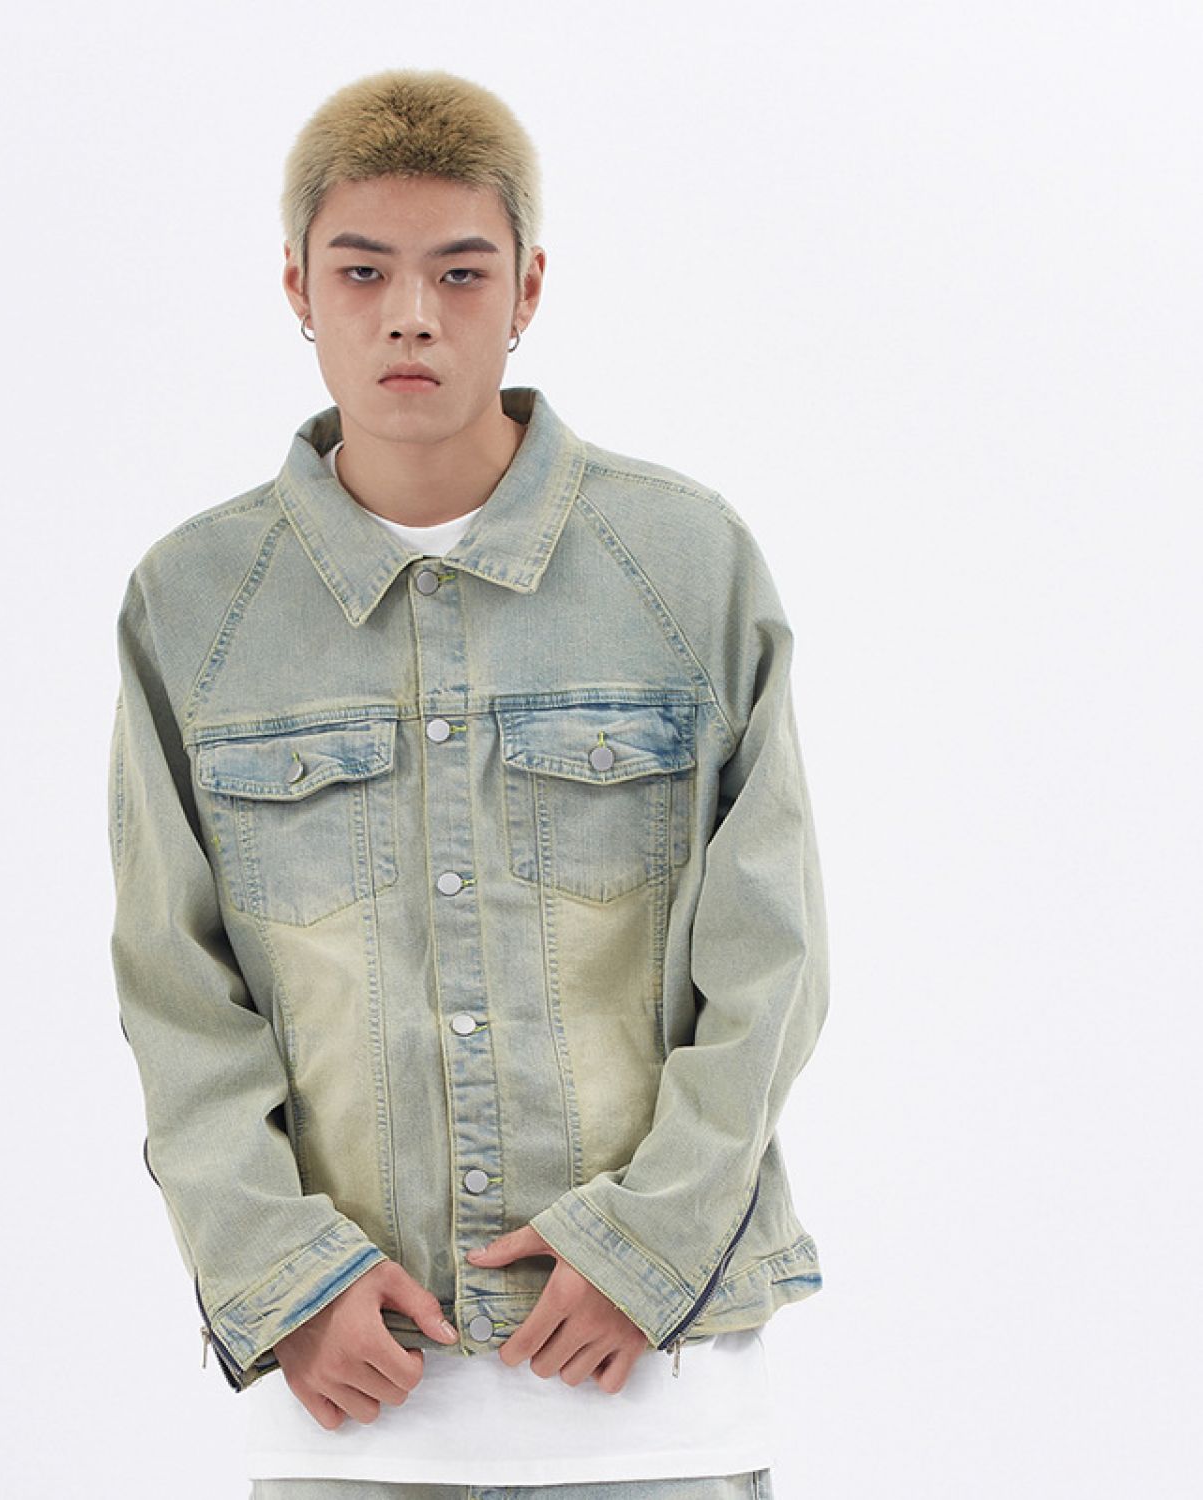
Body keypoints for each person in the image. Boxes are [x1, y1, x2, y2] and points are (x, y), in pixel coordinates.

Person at [107, 67, 830, 1500]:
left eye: (459, 271)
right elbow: (175, 990)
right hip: (352, 1419)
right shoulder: (196, 604)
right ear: (298, 289)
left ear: (528, 287)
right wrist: (282, 1279)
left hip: (660, 1410)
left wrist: (646, 1248)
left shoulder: (684, 566)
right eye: (361, 271)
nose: (411, 315)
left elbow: (772, 959)